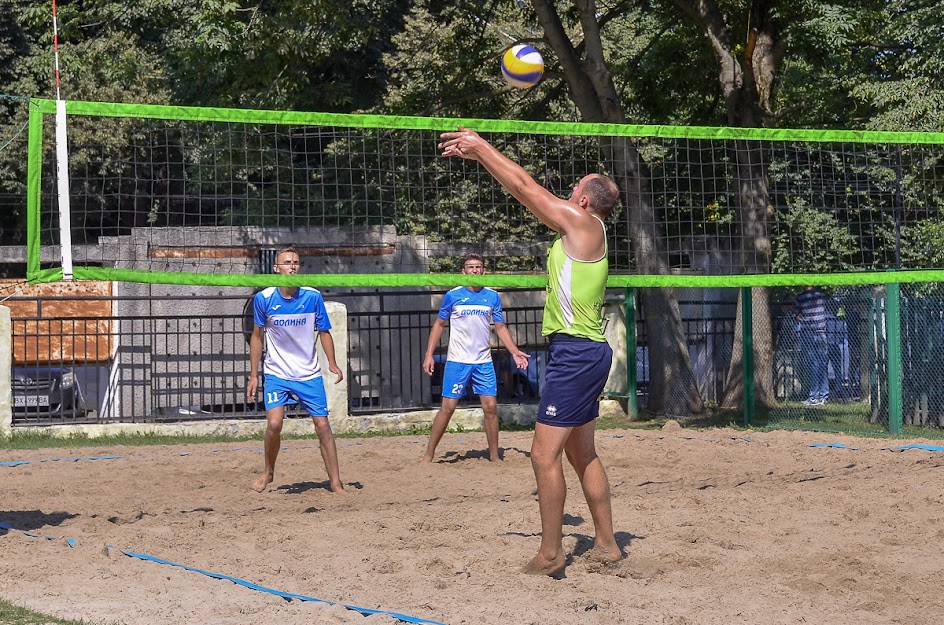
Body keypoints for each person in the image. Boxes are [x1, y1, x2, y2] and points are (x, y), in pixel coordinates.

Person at [439, 126, 622, 576]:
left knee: (543, 455)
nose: (569, 190)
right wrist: (480, 157)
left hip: (577, 355)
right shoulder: (586, 228)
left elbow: (525, 188)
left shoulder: (582, 223)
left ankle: (550, 554)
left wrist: (481, 147)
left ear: (583, 200)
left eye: (575, 186)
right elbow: (525, 192)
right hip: (585, 350)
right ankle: (607, 544)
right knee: (582, 454)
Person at [247, 246, 346, 493]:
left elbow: (324, 332)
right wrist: (253, 375)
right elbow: (257, 337)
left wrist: (332, 363)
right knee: (274, 424)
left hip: (308, 374)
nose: (292, 266)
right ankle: (268, 471)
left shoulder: (311, 296)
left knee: (323, 425)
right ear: (276, 268)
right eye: (287, 262)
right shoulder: (265, 298)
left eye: (296, 262)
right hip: (277, 373)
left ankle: (336, 483)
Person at [422, 253, 531, 463]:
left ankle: (494, 456)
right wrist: (429, 355)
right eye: (470, 267)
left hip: (483, 361)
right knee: (448, 408)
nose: (474, 270)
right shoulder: (453, 295)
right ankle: (429, 454)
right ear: (463, 271)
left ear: (484, 270)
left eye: (478, 267)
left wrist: (515, 351)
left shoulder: (492, 296)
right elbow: (439, 325)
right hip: (457, 360)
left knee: (490, 408)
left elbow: (500, 327)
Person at [795, 285, 829, 405]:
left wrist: (802, 319)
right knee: (822, 363)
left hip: (808, 331)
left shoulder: (800, 297)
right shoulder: (821, 295)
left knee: (813, 363)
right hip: (820, 331)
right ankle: (823, 396)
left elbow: (797, 315)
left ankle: (814, 395)